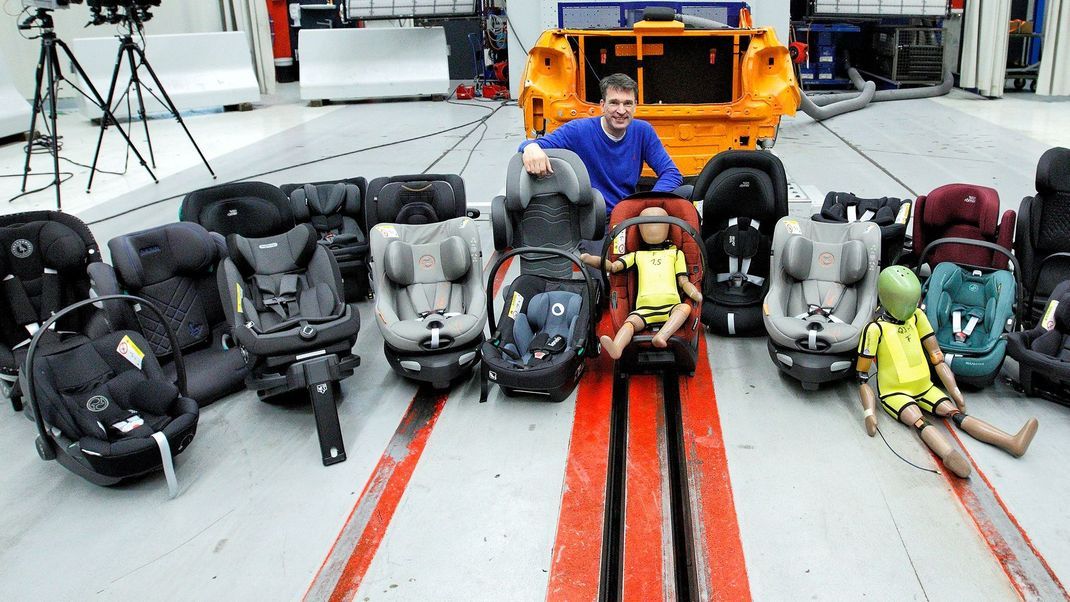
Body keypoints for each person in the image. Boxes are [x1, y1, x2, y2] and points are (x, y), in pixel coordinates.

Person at [856, 266, 1039, 478]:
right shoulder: (875, 329)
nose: (910, 307)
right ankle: (950, 456)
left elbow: (937, 356)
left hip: (924, 386)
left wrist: (954, 391)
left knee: (954, 412)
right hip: (895, 392)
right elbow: (862, 377)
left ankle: (1011, 442)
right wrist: (869, 412)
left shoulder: (916, 317)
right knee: (918, 420)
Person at [518, 73, 683, 213]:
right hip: (593, 219)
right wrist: (531, 147)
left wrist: (648, 204)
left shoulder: (643, 131)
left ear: (635, 107)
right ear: (602, 105)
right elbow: (530, 146)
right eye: (614, 103)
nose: (621, 110)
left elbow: (671, 173)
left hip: (627, 216)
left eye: (627, 103)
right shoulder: (578, 130)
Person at [579, 207, 701, 359]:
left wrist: (694, 292)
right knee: (629, 323)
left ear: (668, 228)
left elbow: (683, 280)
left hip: (671, 306)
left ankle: (661, 336)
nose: (653, 229)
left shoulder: (675, 254)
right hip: (643, 309)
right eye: (647, 225)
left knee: (684, 308)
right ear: (640, 230)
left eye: (658, 225)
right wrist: (591, 260)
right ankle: (617, 347)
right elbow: (613, 266)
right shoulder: (637, 255)